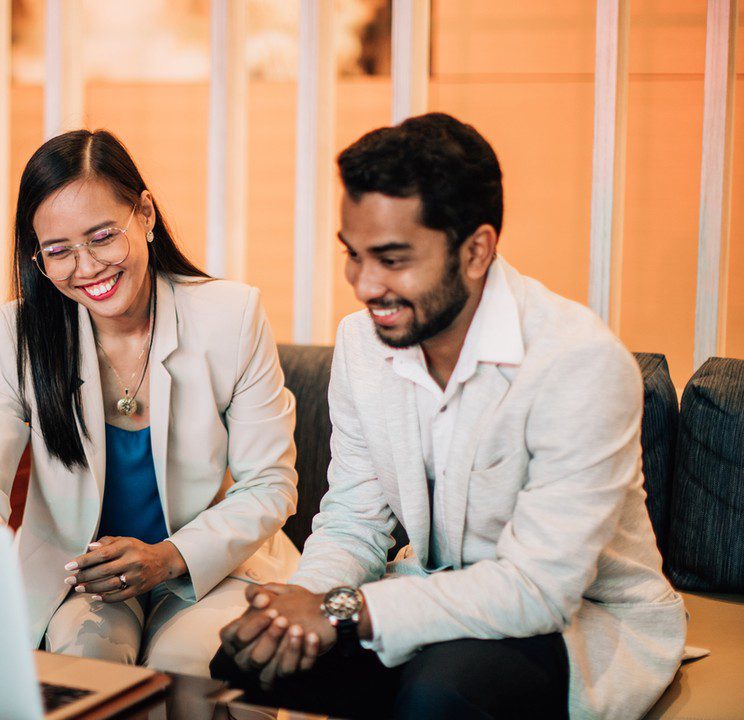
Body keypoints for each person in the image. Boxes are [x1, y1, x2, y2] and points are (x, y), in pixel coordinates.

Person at [211, 113, 686, 720]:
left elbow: (538, 589)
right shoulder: (363, 344)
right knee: (246, 661)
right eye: (353, 256)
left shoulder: (579, 363)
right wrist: (298, 604)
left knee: (442, 696)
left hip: (568, 619)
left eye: (392, 258)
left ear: (476, 249)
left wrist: (340, 610)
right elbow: (356, 519)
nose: (364, 284)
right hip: (424, 594)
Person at [0, 129, 300, 676]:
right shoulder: (17, 335)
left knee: (181, 665)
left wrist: (168, 558)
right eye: (59, 251)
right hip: (82, 576)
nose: (87, 267)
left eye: (102, 236)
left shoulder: (231, 317)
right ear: (38, 256)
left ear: (144, 215)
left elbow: (270, 482)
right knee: (89, 661)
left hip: (207, 566)